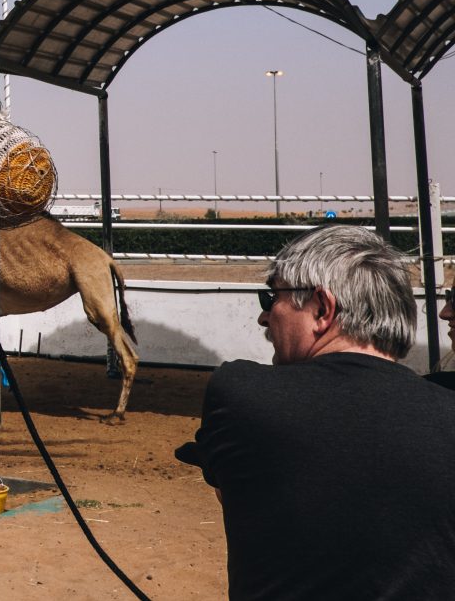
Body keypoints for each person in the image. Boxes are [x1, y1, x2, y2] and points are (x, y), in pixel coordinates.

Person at [175, 226, 455, 600]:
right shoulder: (445, 409)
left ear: (322, 308)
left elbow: (239, 495)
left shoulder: (241, 391)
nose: (264, 317)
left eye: (272, 297)